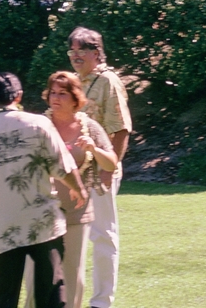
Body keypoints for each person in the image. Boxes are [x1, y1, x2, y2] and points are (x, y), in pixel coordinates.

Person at [0, 72, 89, 308]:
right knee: (51, 292)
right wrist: (79, 189)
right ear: (19, 96)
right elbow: (63, 166)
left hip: (0, 228)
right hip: (40, 222)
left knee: (4, 296)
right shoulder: (39, 124)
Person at [24, 71, 118, 308]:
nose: (55, 98)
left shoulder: (90, 127)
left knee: (72, 276)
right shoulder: (37, 125)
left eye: (62, 93)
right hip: (41, 212)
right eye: (52, 92)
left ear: (76, 98)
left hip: (76, 212)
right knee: (36, 276)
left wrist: (94, 149)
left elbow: (111, 163)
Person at [67, 27, 133, 308]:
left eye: (82, 50)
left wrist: (108, 171)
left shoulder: (108, 82)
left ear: (96, 52)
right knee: (71, 235)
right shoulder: (72, 82)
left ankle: (101, 302)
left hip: (100, 172)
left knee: (103, 235)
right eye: (72, 51)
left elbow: (121, 129)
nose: (76, 56)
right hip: (73, 174)